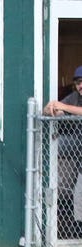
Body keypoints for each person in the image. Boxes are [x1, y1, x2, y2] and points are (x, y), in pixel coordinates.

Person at [43, 65, 82, 227]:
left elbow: (66, 108)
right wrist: (51, 108)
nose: (81, 86)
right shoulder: (74, 97)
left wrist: (62, 106)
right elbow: (54, 112)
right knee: (79, 197)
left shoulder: (70, 103)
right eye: (79, 82)